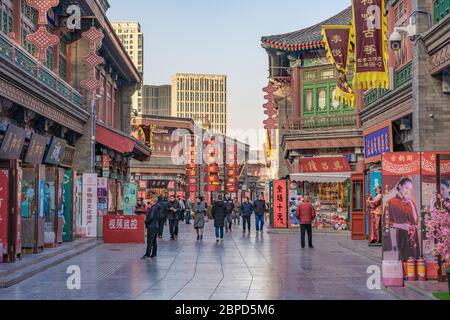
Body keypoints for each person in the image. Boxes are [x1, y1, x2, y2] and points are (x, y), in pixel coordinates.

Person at [383, 177, 420, 261]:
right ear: (400, 186)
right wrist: (400, 225)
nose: (408, 191)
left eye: (410, 189)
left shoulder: (410, 202)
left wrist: (412, 206)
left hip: (413, 236)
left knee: (415, 259)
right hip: (400, 235)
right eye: (406, 188)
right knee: (404, 259)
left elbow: (416, 221)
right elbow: (385, 222)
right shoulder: (391, 202)